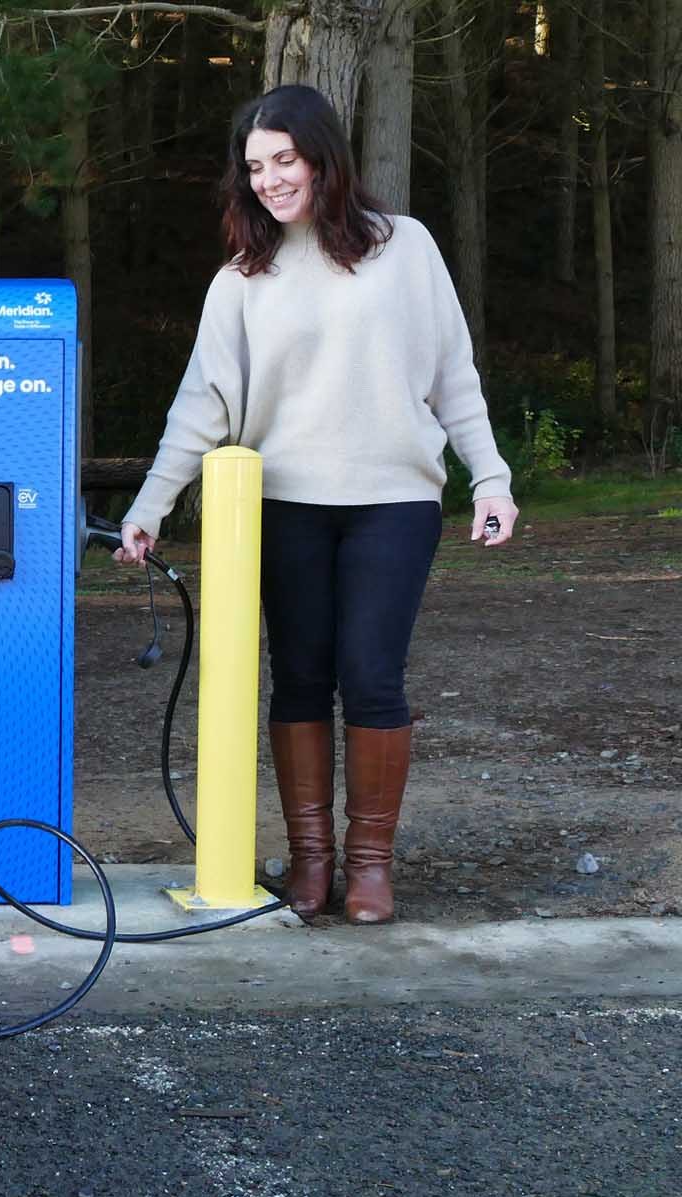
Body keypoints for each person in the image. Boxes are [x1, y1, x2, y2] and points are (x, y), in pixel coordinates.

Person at [112, 84, 518, 925]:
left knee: (371, 677)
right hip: (284, 506)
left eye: (284, 159)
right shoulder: (241, 280)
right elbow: (202, 404)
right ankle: (310, 863)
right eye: (254, 167)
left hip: (395, 502)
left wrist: (491, 477)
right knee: (298, 679)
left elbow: (453, 377)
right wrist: (153, 503)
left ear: (323, 157)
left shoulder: (406, 248)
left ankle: (370, 866)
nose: (269, 179)